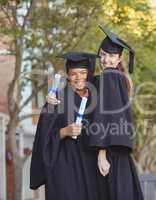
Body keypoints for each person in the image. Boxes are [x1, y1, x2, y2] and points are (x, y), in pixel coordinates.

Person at [30, 52, 101, 200]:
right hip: (64, 167)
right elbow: (43, 138)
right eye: (73, 73)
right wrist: (63, 131)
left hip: (90, 166)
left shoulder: (97, 99)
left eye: (83, 72)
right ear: (68, 75)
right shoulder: (57, 100)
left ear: (89, 74)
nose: (79, 77)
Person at [88, 25, 144, 200]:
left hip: (108, 154)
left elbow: (107, 116)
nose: (106, 60)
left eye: (111, 56)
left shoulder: (109, 77)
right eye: (103, 55)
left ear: (119, 58)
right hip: (119, 155)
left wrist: (102, 153)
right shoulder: (119, 79)